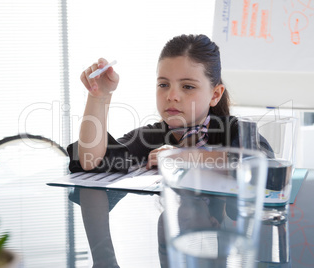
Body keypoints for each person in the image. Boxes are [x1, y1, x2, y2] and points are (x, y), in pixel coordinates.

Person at [67, 34, 240, 268]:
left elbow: (262, 166)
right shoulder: (153, 136)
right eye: (163, 84)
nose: (172, 95)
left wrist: (183, 158)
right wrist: (99, 96)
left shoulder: (231, 130)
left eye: (187, 86)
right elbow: (91, 160)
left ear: (215, 94)